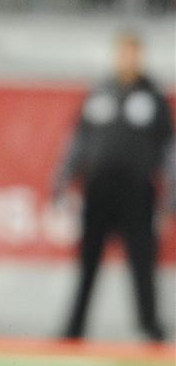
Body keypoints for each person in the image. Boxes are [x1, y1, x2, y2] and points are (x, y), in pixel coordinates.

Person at [54, 31, 174, 343]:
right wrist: (63, 179)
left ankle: (151, 328)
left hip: (137, 190)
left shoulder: (152, 97)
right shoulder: (100, 93)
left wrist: (171, 196)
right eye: (123, 53)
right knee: (88, 261)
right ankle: (74, 329)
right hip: (98, 188)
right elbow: (78, 141)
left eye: (133, 54)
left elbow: (168, 149)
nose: (127, 60)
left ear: (141, 57)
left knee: (142, 263)